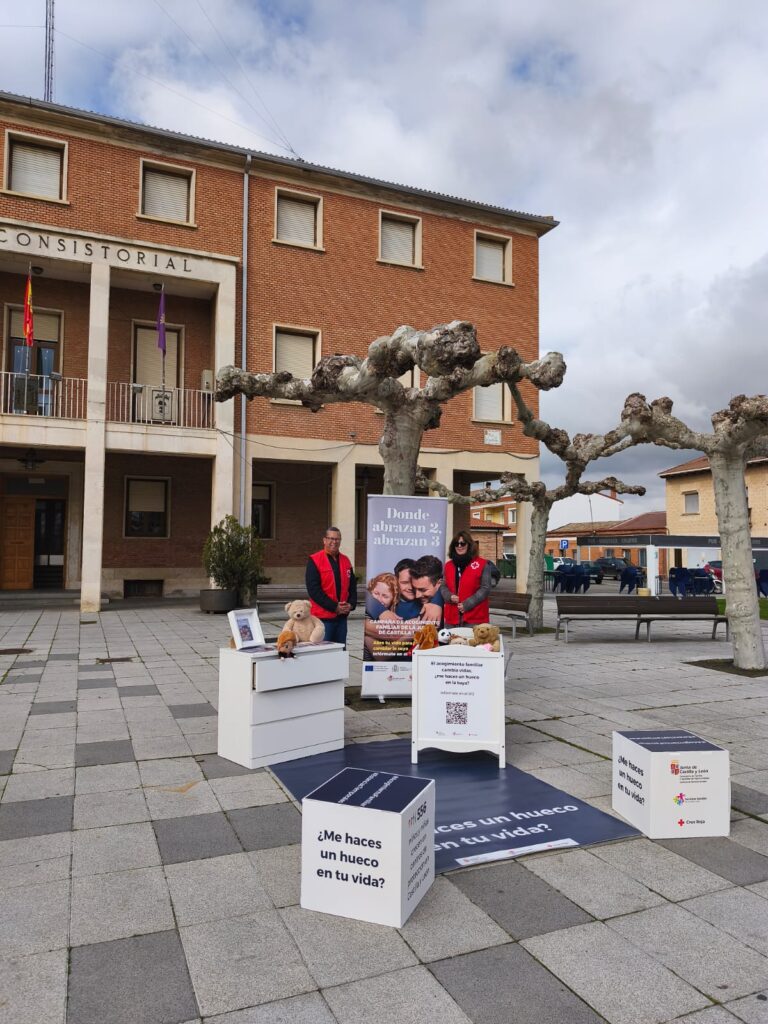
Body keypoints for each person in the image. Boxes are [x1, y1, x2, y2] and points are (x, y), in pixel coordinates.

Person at [305, 526, 356, 646]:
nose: (334, 542)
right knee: (324, 655)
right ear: (324, 540)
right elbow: (314, 590)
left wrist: (351, 604)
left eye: (337, 539)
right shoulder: (315, 560)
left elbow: (352, 586)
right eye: (331, 538)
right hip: (322, 619)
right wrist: (334, 607)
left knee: (340, 654)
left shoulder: (346, 560)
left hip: (341, 618)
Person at [440, 530, 492, 626]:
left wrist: (468, 604)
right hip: (452, 617)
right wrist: (449, 596)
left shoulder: (483, 564)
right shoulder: (448, 565)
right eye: (456, 543)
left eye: (462, 543)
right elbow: (443, 585)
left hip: (475, 617)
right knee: (452, 641)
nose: (459, 546)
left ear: (469, 545)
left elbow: (485, 588)